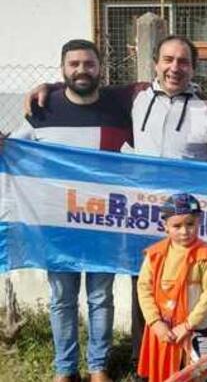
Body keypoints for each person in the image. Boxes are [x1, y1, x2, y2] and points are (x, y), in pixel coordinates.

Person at [27, 35, 207, 379]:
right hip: (142, 219)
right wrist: (50, 86)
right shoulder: (133, 96)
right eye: (168, 60)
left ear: (193, 67)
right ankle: (146, 363)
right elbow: (84, 83)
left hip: (188, 222)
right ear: (155, 64)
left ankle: (193, 365)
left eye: (183, 62)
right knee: (146, 289)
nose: (175, 68)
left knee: (193, 292)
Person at [11, 39, 133, 382]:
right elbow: (15, 151)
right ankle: (65, 370)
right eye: (74, 64)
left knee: (100, 297)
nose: (82, 70)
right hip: (57, 225)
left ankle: (98, 367)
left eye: (88, 64)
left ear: (100, 68)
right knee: (62, 299)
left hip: (104, 221)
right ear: (62, 68)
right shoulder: (42, 111)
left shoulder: (119, 110)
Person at [136, 193, 207, 382]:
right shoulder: (155, 255)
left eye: (190, 224)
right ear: (165, 227)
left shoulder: (205, 255)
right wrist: (155, 323)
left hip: (196, 329)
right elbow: (144, 289)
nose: (184, 231)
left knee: (199, 374)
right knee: (162, 374)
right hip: (164, 329)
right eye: (177, 226)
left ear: (198, 222)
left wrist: (188, 325)